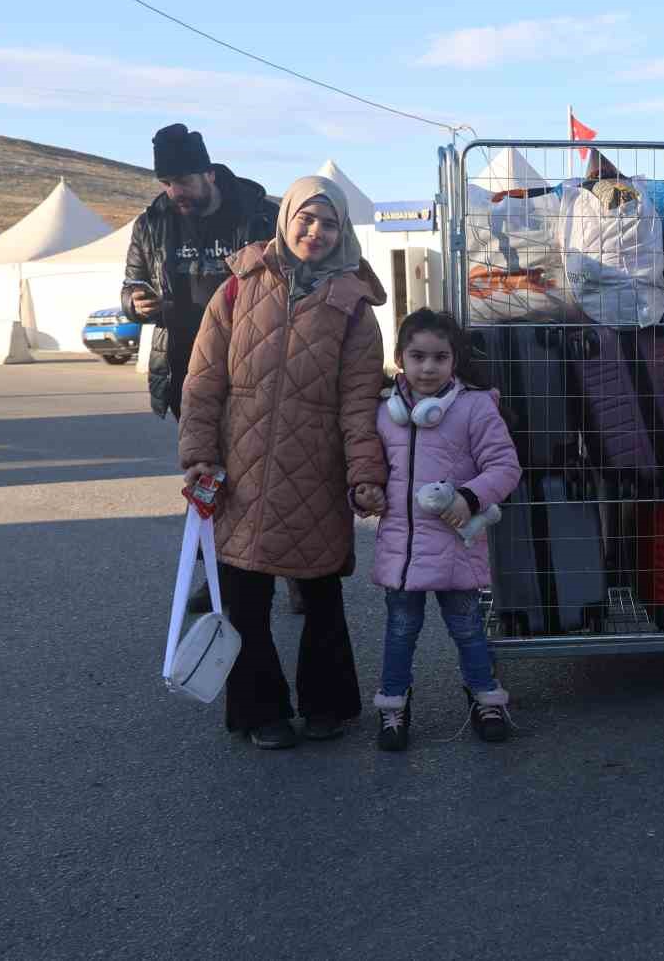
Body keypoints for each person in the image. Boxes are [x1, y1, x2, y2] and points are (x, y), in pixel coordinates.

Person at [178, 176, 388, 750]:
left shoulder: (354, 309)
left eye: (329, 223)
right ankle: (258, 711)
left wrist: (365, 474)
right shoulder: (238, 288)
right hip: (240, 472)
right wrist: (199, 456)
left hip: (315, 472)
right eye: (306, 219)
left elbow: (359, 402)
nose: (315, 232)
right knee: (245, 598)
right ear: (286, 218)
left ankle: (328, 705)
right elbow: (203, 382)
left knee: (320, 597)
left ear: (342, 231)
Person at [122, 125, 286, 613]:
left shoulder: (260, 215)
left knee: (271, 472)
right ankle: (218, 575)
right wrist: (134, 302)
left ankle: (294, 567)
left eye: (183, 181)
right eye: (167, 183)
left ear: (208, 173)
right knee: (208, 475)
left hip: (253, 366)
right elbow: (131, 281)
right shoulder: (151, 223)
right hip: (186, 370)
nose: (175, 193)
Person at [370, 308, 521, 752]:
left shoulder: (475, 408)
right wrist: (362, 493)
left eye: (439, 357)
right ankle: (393, 705)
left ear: (455, 360)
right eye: (417, 356)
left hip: (456, 547)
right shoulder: (385, 412)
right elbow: (368, 470)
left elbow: (505, 467)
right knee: (400, 630)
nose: (428, 367)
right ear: (400, 358)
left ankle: (485, 698)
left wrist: (468, 497)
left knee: (469, 629)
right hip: (402, 551)